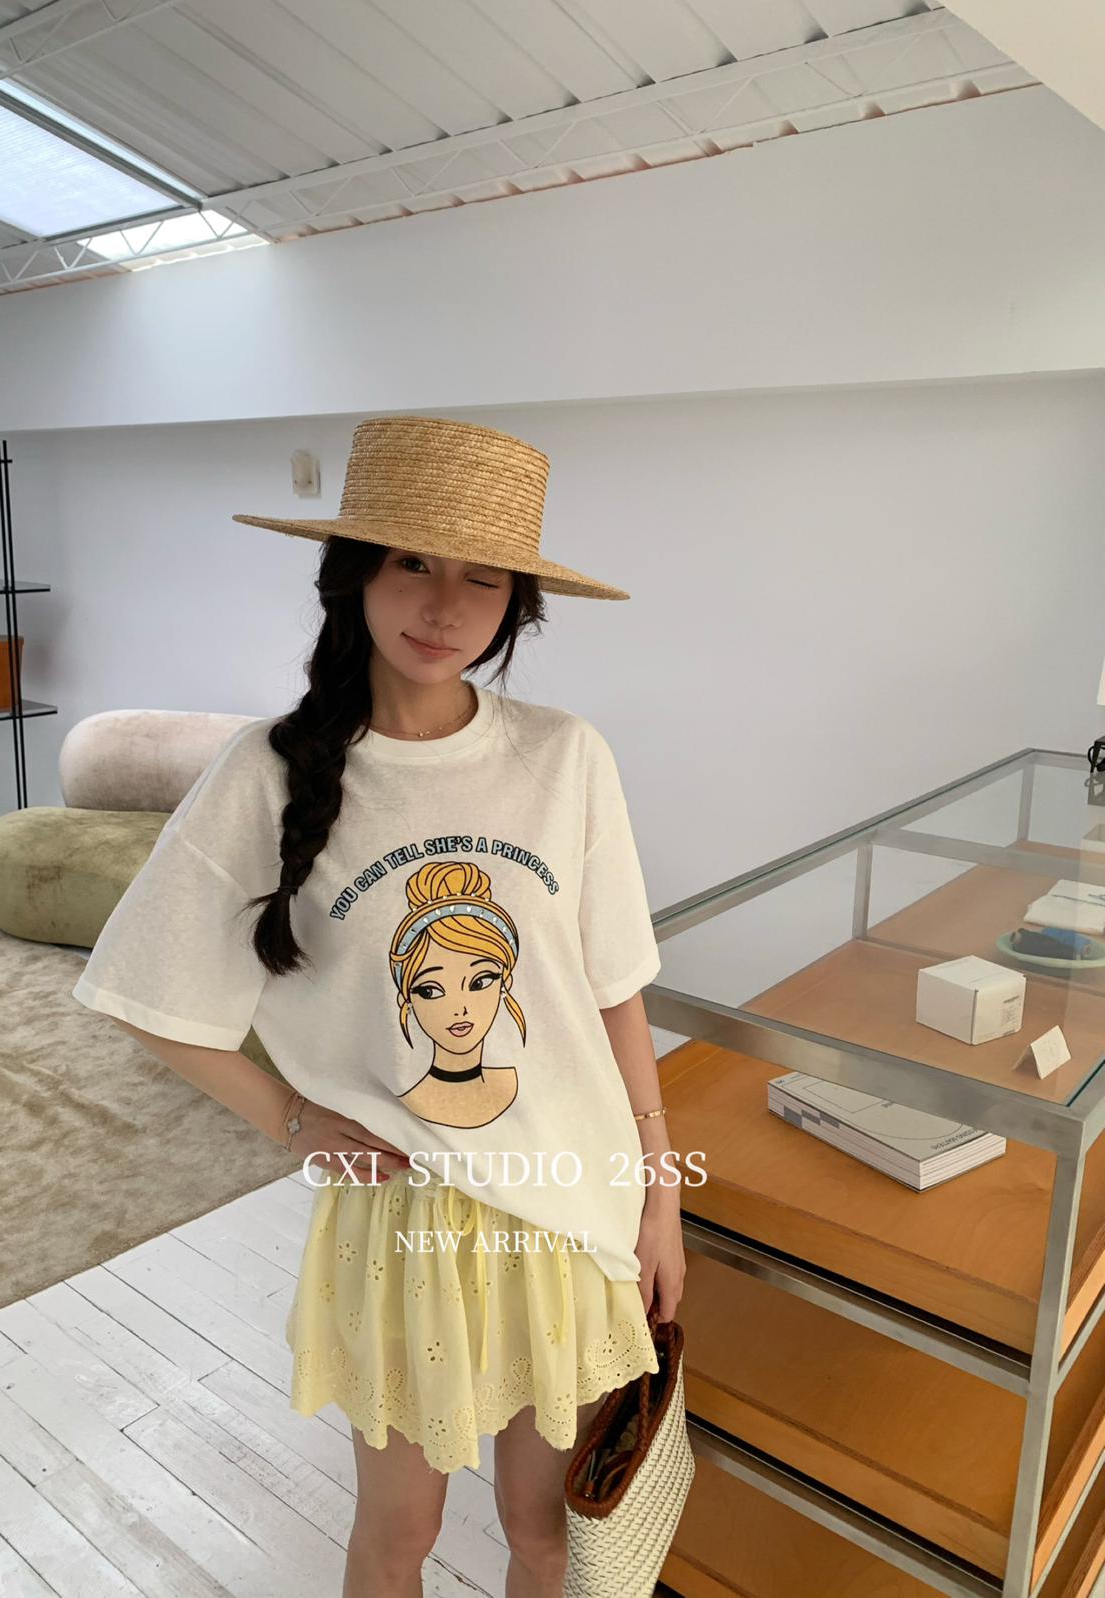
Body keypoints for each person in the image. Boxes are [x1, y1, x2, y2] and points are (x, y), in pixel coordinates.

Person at [72, 414, 686, 1598]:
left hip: (575, 1203)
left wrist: (660, 1197)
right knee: (397, 1532)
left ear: (518, 603)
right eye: (413, 561)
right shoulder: (266, 771)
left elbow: (616, 991)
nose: (445, 605)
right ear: (352, 572)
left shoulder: (566, 756)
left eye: (483, 576)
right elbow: (146, 988)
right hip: (405, 1222)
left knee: (545, 1532)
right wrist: (294, 1118)